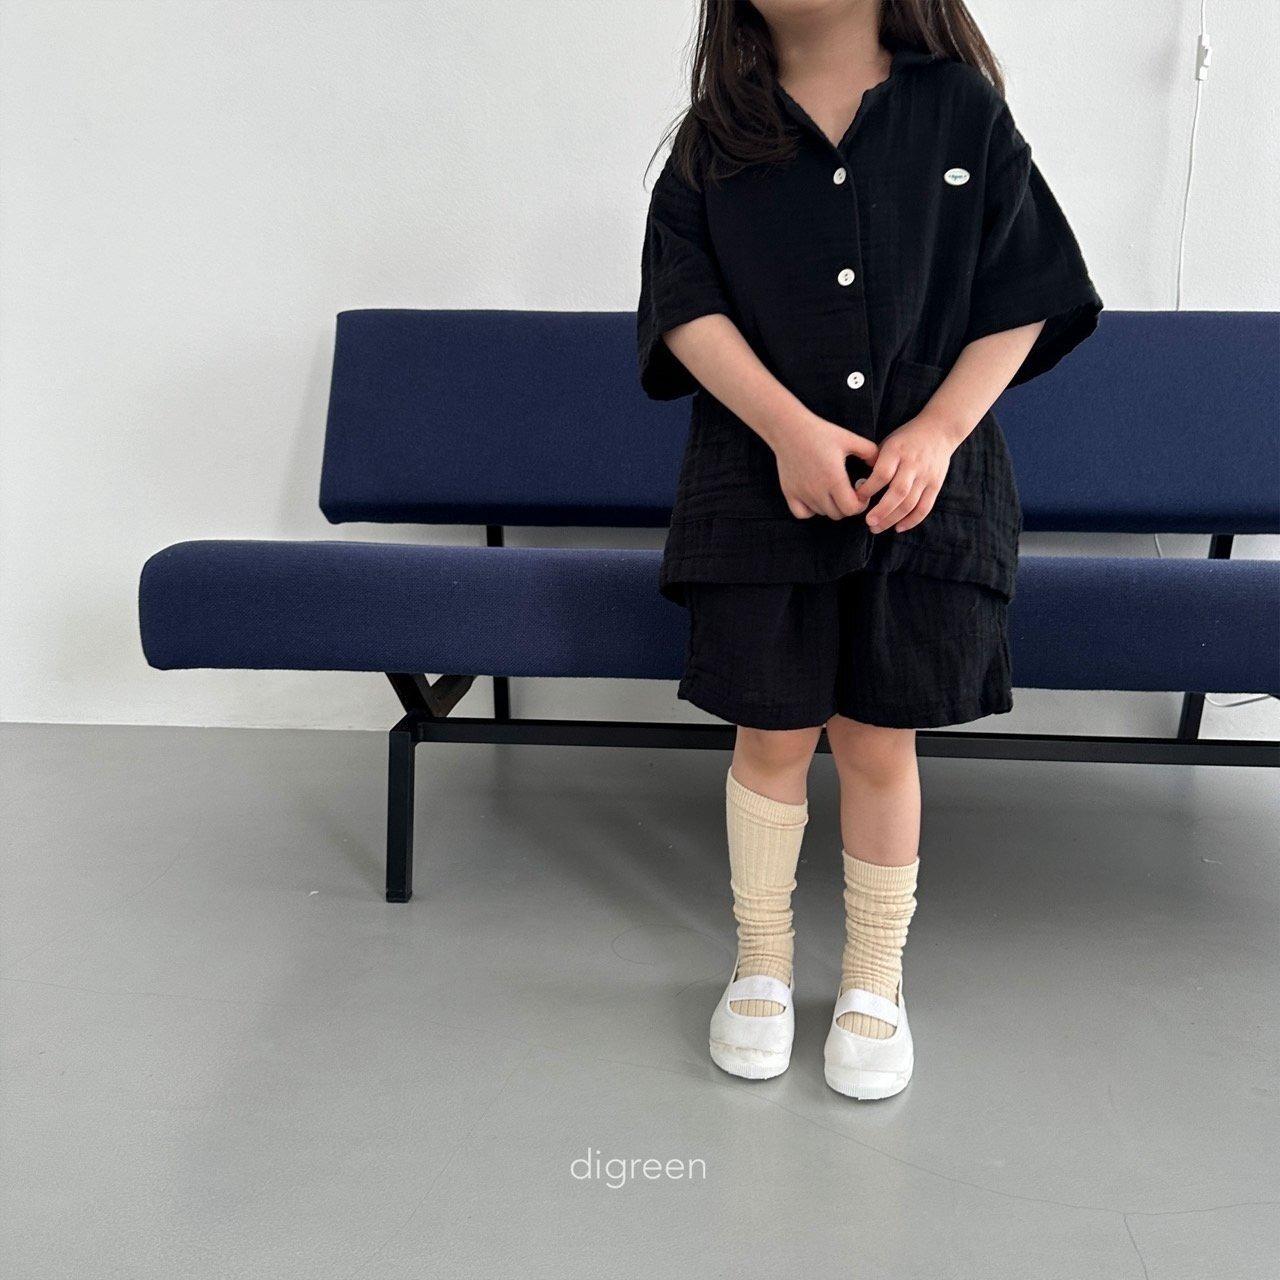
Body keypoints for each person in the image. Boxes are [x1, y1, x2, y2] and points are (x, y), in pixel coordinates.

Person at [635, 0, 1103, 1099]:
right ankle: (759, 961)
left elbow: (1024, 287)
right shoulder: (716, 131)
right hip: (760, 482)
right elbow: (683, 302)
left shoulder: (960, 110)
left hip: (918, 490)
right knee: (769, 730)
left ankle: (872, 979)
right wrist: (787, 431)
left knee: (879, 737)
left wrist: (938, 430)